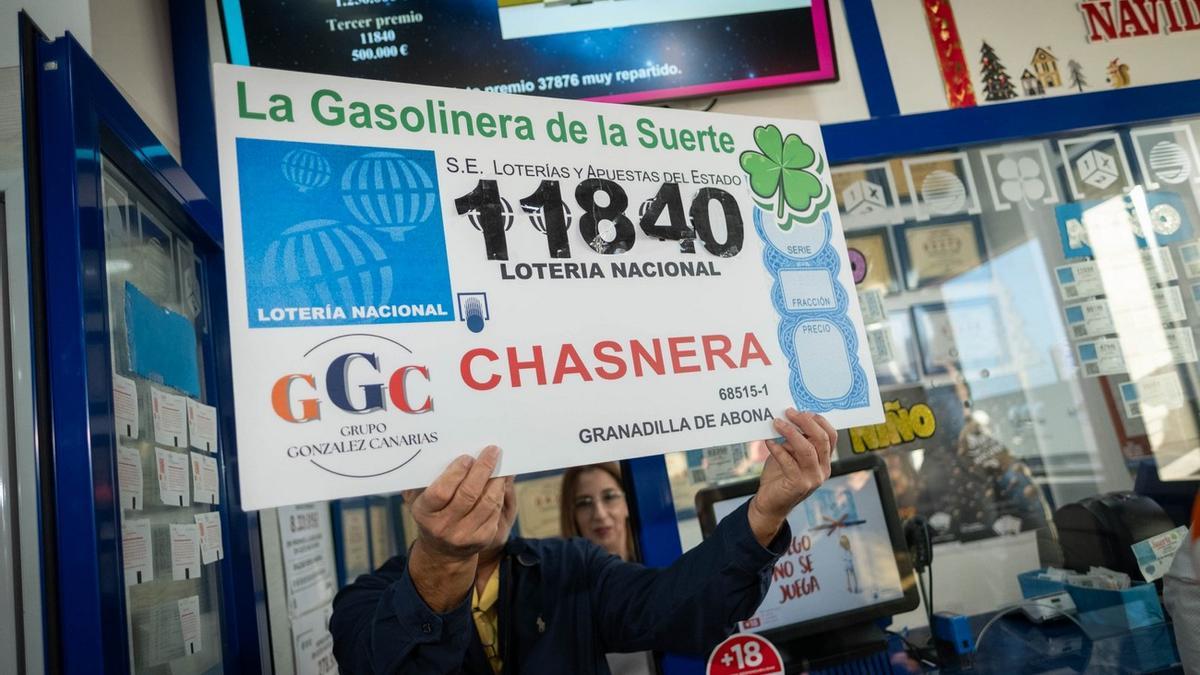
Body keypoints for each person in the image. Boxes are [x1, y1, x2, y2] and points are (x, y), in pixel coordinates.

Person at [330, 409, 837, 674]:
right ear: (411, 489)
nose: (491, 491)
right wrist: (443, 561)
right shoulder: (366, 604)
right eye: (463, 475)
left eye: (500, 471)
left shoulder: (572, 567)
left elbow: (676, 609)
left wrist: (764, 513)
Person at [559, 462, 651, 675]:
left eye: (609, 497)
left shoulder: (656, 569)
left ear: (628, 502)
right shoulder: (564, 594)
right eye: (584, 503)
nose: (599, 514)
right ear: (572, 514)